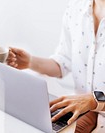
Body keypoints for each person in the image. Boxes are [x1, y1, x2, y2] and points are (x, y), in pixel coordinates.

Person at [6, 0, 105, 132]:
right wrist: (29, 62)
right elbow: (63, 62)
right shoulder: (76, 7)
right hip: (81, 110)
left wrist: (94, 100)